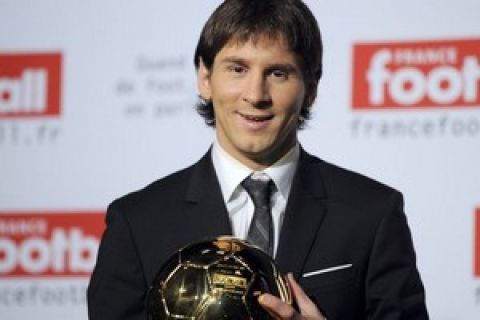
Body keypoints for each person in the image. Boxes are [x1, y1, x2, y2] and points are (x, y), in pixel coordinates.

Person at [87, 0, 429, 319]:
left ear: (310, 88)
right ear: (205, 79)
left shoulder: (373, 214)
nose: (255, 95)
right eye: (237, 69)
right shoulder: (136, 223)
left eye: (278, 73)